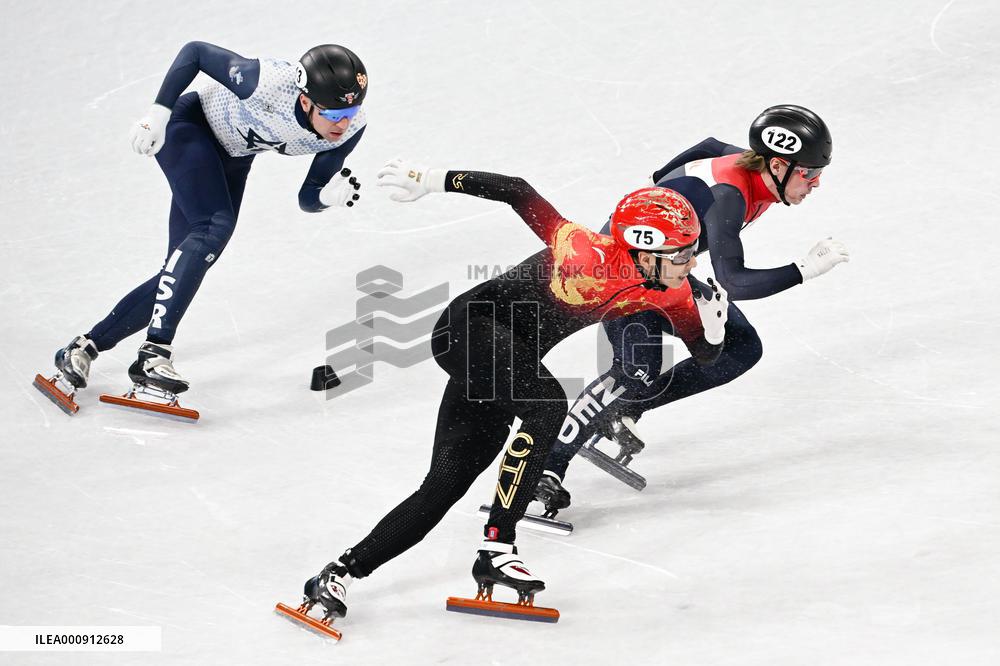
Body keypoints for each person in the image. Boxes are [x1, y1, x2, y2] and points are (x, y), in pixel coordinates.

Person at [284, 159, 730, 629]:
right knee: (547, 404)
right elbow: (518, 191)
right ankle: (498, 545)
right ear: (644, 250)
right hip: (467, 330)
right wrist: (432, 182)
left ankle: (338, 573)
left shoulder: (675, 293)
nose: (693, 262)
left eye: (692, 251)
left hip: (503, 366)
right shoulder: (583, 252)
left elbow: (703, 355)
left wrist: (714, 326)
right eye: (682, 253)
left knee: (443, 485)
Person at [538, 105, 850, 507]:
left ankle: (623, 409)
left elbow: (706, 146)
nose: (817, 182)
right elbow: (733, 281)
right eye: (808, 173)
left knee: (740, 348)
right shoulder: (728, 198)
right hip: (620, 275)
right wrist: (804, 269)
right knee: (636, 371)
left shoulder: (749, 164)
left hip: (667, 271)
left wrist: (666, 190)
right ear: (777, 164)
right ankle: (546, 468)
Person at [35, 41, 368, 412]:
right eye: (335, 113)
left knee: (181, 271)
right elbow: (194, 53)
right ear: (306, 101)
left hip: (231, 160)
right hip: (188, 127)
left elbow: (308, 196)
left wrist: (327, 198)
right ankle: (153, 354)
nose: (344, 122)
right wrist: (157, 114)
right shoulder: (266, 80)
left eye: (352, 110)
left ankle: (83, 348)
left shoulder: (352, 127)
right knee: (214, 227)